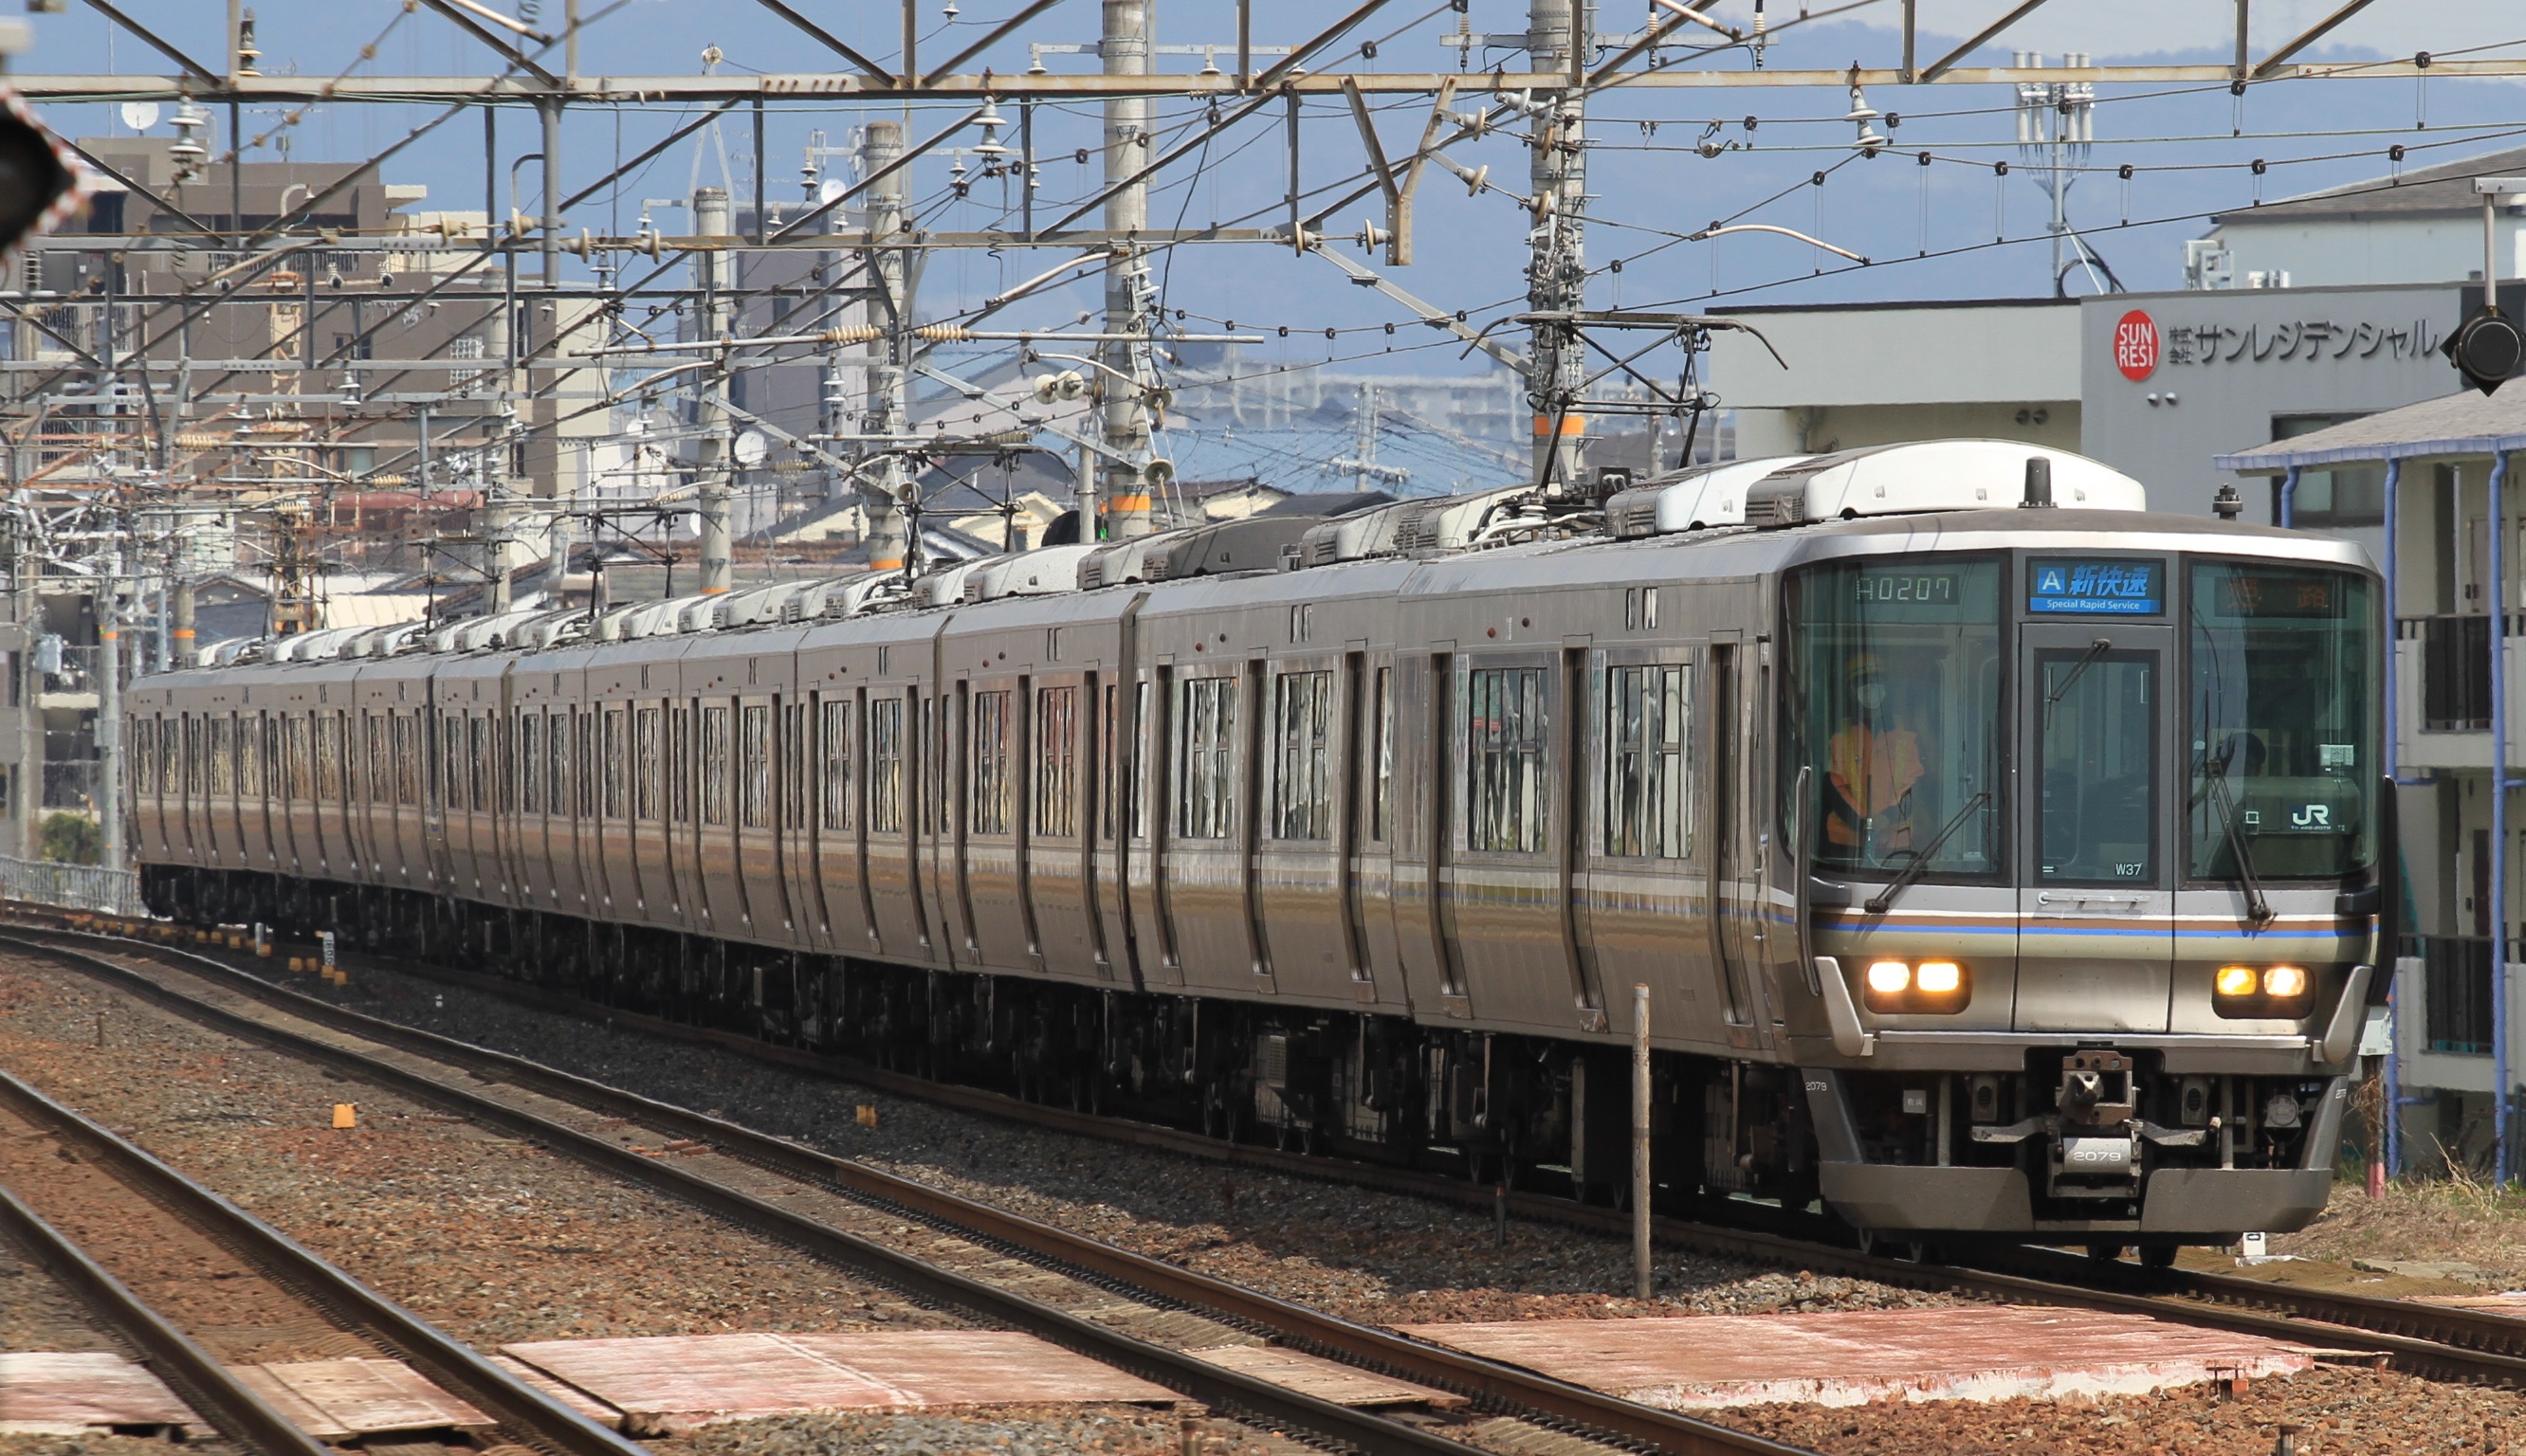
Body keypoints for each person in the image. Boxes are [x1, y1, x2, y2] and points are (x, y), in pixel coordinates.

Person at [1825, 650, 1926, 862]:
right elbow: (1835, 787)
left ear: (1886, 688)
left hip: (1896, 843)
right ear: (1852, 690)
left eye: (1875, 682)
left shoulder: (1906, 736)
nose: (1871, 689)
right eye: (1863, 683)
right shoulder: (1840, 738)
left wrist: (1887, 821)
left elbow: (1913, 787)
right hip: (1844, 844)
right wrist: (1866, 822)